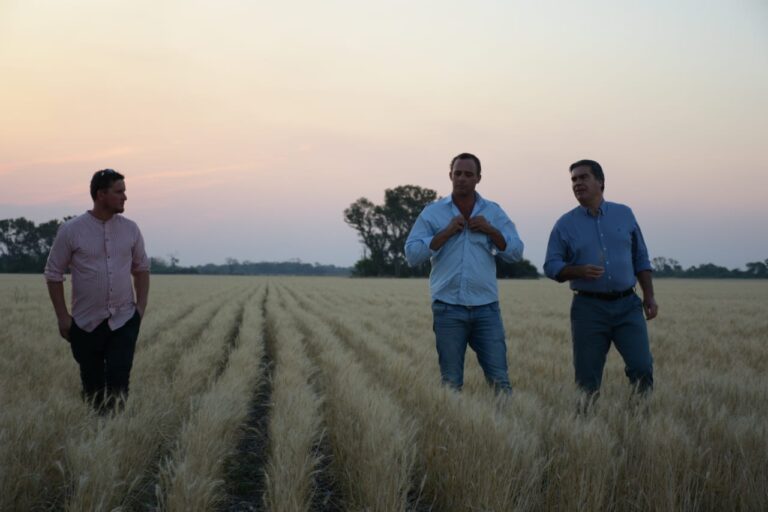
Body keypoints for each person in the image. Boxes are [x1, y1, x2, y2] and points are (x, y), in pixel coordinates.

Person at [405, 153, 524, 393]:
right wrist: (445, 233)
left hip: (486, 308)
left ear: (478, 178)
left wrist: (492, 231)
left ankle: (504, 427)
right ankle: (455, 425)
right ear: (450, 176)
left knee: (500, 380)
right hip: (448, 308)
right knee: (450, 383)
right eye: (457, 173)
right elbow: (411, 254)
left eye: (468, 174)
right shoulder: (433, 213)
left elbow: (516, 252)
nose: (462, 178)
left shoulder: (494, 212)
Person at [544, 159, 657, 403]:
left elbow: (640, 257)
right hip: (588, 309)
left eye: (583, 178)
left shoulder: (624, 214)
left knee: (642, 367)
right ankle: (586, 430)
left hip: (628, 305)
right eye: (574, 180)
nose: (577, 184)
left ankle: (641, 419)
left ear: (601, 182)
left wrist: (649, 295)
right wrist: (577, 271)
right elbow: (550, 266)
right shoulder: (565, 224)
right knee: (587, 378)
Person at [45, 169, 150, 413]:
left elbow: (142, 269)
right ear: (101, 194)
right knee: (92, 387)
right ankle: (96, 434)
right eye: (119, 192)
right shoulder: (71, 230)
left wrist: (140, 309)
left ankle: (115, 435)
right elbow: (53, 274)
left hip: (124, 320)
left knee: (119, 383)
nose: (125, 197)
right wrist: (63, 317)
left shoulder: (131, 229)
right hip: (85, 323)